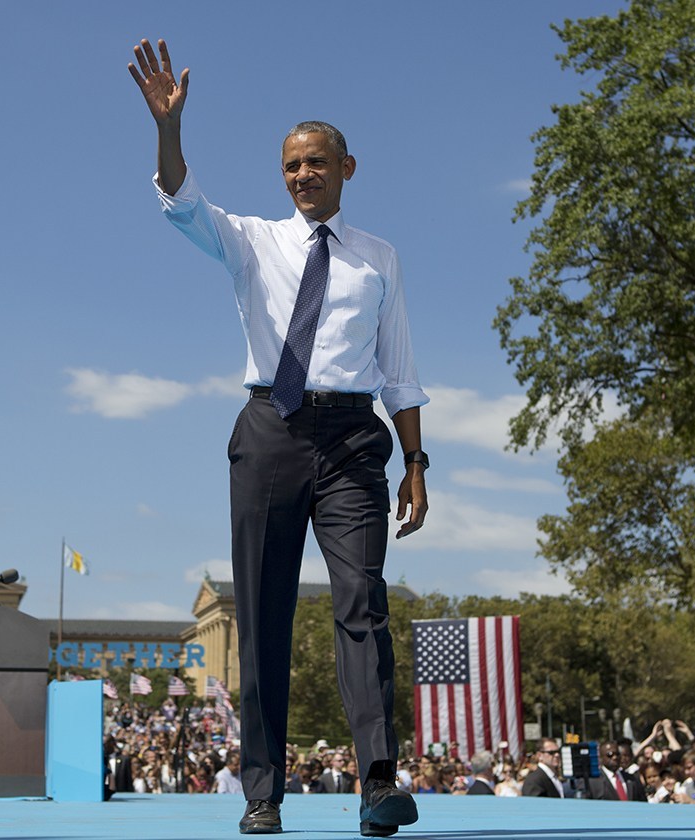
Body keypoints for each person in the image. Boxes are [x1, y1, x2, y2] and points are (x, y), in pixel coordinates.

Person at [129, 37, 428, 839]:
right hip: (269, 432)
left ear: (347, 168)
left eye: (317, 162)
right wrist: (168, 127)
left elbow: (398, 367)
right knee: (262, 613)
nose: (303, 175)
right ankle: (262, 791)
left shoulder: (380, 259)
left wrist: (416, 460)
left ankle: (378, 784)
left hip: (354, 443)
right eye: (292, 165)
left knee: (363, 604)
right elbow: (180, 198)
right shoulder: (251, 241)